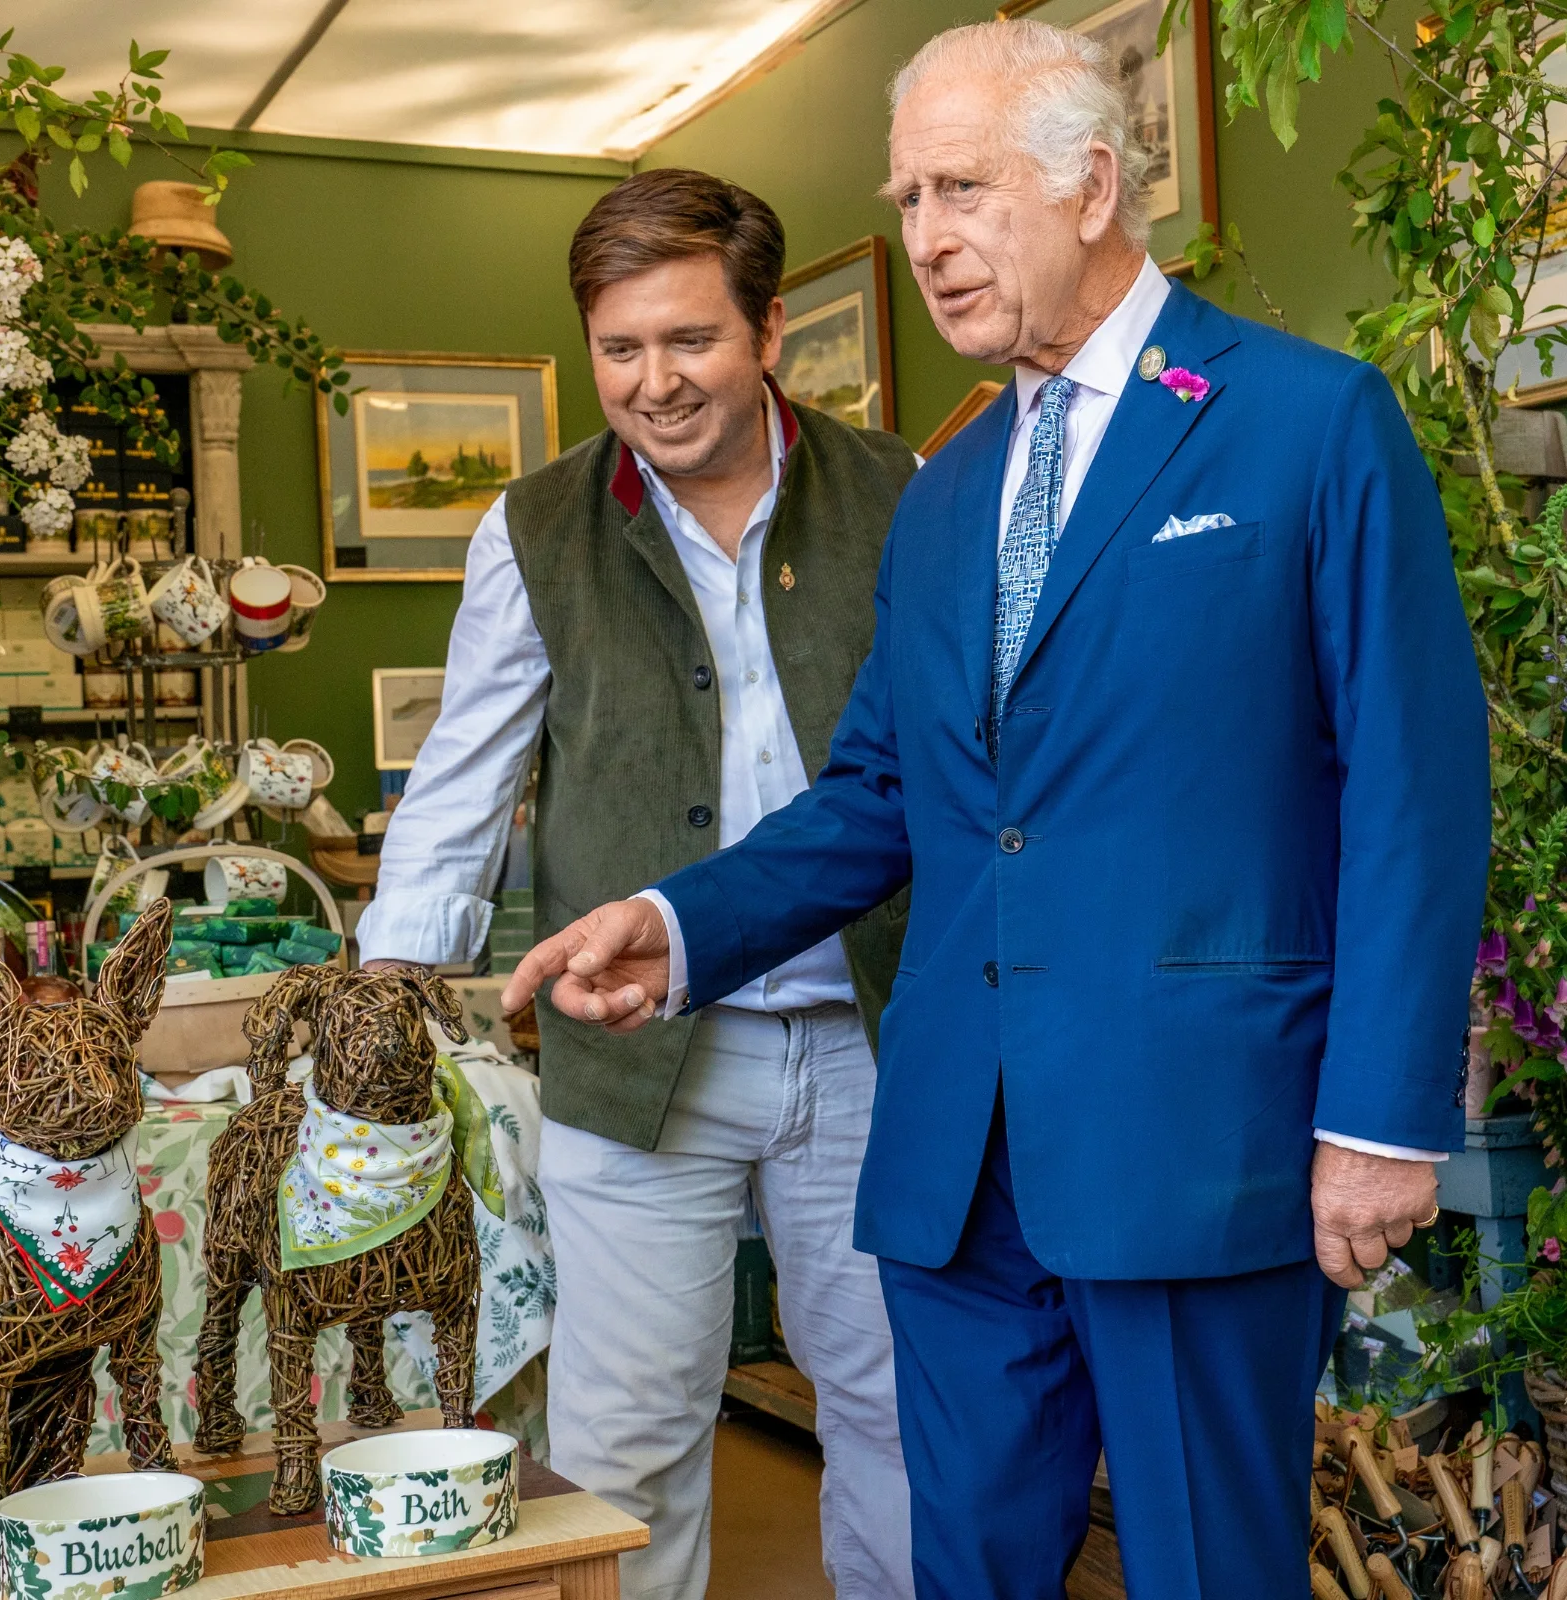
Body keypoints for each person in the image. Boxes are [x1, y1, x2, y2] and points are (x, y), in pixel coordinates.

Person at [501, 21, 1490, 1600]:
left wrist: (1377, 1123)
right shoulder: (946, 492)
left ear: (1092, 184)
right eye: (907, 199)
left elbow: (1415, 793)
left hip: (1200, 1142)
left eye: (960, 189)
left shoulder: (1308, 424)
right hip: (960, 1159)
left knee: (1203, 1574)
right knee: (961, 1566)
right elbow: (886, 792)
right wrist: (681, 926)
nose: (927, 240)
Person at [357, 168, 917, 1600]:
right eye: (621, 350)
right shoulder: (533, 529)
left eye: (690, 342)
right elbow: (462, 781)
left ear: (770, 329)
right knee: (624, 1439)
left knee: (900, 1416)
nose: (655, 383)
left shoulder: (901, 493)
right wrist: (382, 993)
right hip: (635, 1051)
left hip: (872, 1042)